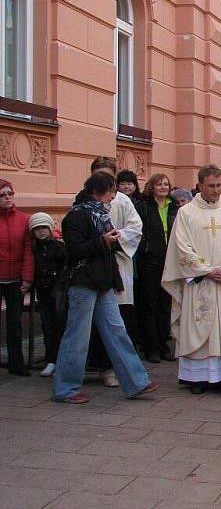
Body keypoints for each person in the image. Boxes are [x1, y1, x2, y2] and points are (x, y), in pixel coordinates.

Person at [53, 171, 157, 403]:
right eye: (111, 191)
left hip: (103, 283)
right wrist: (103, 242)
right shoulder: (76, 217)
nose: (114, 195)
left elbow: (109, 254)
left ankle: (136, 382)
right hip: (83, 283)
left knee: (117, 332)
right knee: (77, 337)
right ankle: (65, 389)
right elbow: (74, 251)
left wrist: (116, 280)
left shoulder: (102, 215)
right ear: (98, 191)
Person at [161, 165, 221, 395]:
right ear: (200, 186)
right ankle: (197, 378)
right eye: (211, 186)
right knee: (199, 329)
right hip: (201, 283)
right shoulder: (186, 213)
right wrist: (206, 270)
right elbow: (181, 248)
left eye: (218, 185)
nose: (216, 191)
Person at [85, 157, 143, 388]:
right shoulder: (84, 201)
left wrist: (115, 240)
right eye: (99, 174)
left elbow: (135, 228)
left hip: (119, 263)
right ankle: (100, 365)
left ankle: (117, 366)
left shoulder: (122, 200)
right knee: (97, 320)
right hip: (94, 265)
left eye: (108, 176)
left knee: (120, 318)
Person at [134, 173, 179, 363]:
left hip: (169, 260)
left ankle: (163, 344)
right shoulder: (143, 207)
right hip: (150, 260)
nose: (163, 187)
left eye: (166, 184)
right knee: (150, 304)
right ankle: (151, 347)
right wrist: (146, 247)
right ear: (152, 187)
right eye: (159, 184)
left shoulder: (175, 207)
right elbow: (137, 231)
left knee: (165, 304)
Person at [0, 179, 34, 376]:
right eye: (2, 194)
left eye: (9, 194)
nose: (7, 198)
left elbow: (29, 251)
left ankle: (16, 363)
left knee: (14, 322)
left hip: (15, 280)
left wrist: (27, 278)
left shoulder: (23, 219)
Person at [29, 212, 67, 377]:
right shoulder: (33, 250)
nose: (41, 231)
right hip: (43, 294)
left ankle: (61, 360)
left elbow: (65, 269)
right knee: (47, 326)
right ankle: (50, 359)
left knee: (61, 327)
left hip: (58, 294)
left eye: (44, 227)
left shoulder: (59, 247)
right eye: (37, 228)